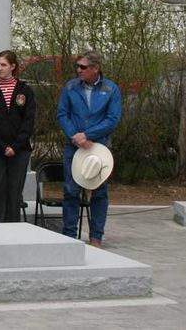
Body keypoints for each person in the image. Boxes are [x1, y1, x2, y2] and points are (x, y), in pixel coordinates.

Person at [57, 49, 121, 247]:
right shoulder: (70, 87)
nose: (78, 70)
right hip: (74, 146)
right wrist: (75, 136)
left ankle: (96, 238)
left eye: (83, 67)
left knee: (99, 192)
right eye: (77, 66)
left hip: (99, 147)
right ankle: (69, 237)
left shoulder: (111, 89)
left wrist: (88, 135)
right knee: (71, 190)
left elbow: (112, 119)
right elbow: (62, 114)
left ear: (95, 68)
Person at [0, 50, 36, 223]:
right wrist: (2, 147)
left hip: (20, 150)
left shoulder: (25, 90)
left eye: (3, 65)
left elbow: (28, 122)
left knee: (14, 193)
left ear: (13, 66)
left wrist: (15, 146)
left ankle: (13, 231)